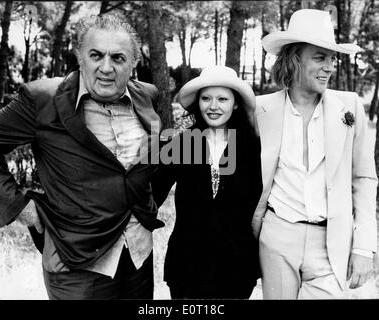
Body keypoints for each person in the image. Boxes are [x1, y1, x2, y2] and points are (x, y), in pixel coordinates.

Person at [0, 13, 164, 300]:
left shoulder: (148, 96)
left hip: (138, 255)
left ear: (133, 63)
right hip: (75, 262)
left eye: (118, 58)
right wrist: (17, 204)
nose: (106, 68)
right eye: (96, 55)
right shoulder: (41, 98)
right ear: (80, 57)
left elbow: (156, 158)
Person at [252, 9, 378, 299]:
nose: (330, 67)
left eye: (332, 59)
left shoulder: (350, 107)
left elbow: (364, 179)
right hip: (277, 238)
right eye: (319, 57)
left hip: (331, 240)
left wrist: (363, 246)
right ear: (294, 59)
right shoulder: (261, 109)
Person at [151, 66, 262, 299]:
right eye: (206, 98)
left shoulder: (253, 147)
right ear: (197, 103)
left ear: (236, 103)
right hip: (187, 263)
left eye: (222, 99)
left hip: (236, 265)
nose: (213, 106)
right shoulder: (182, 143)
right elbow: (152, 192)